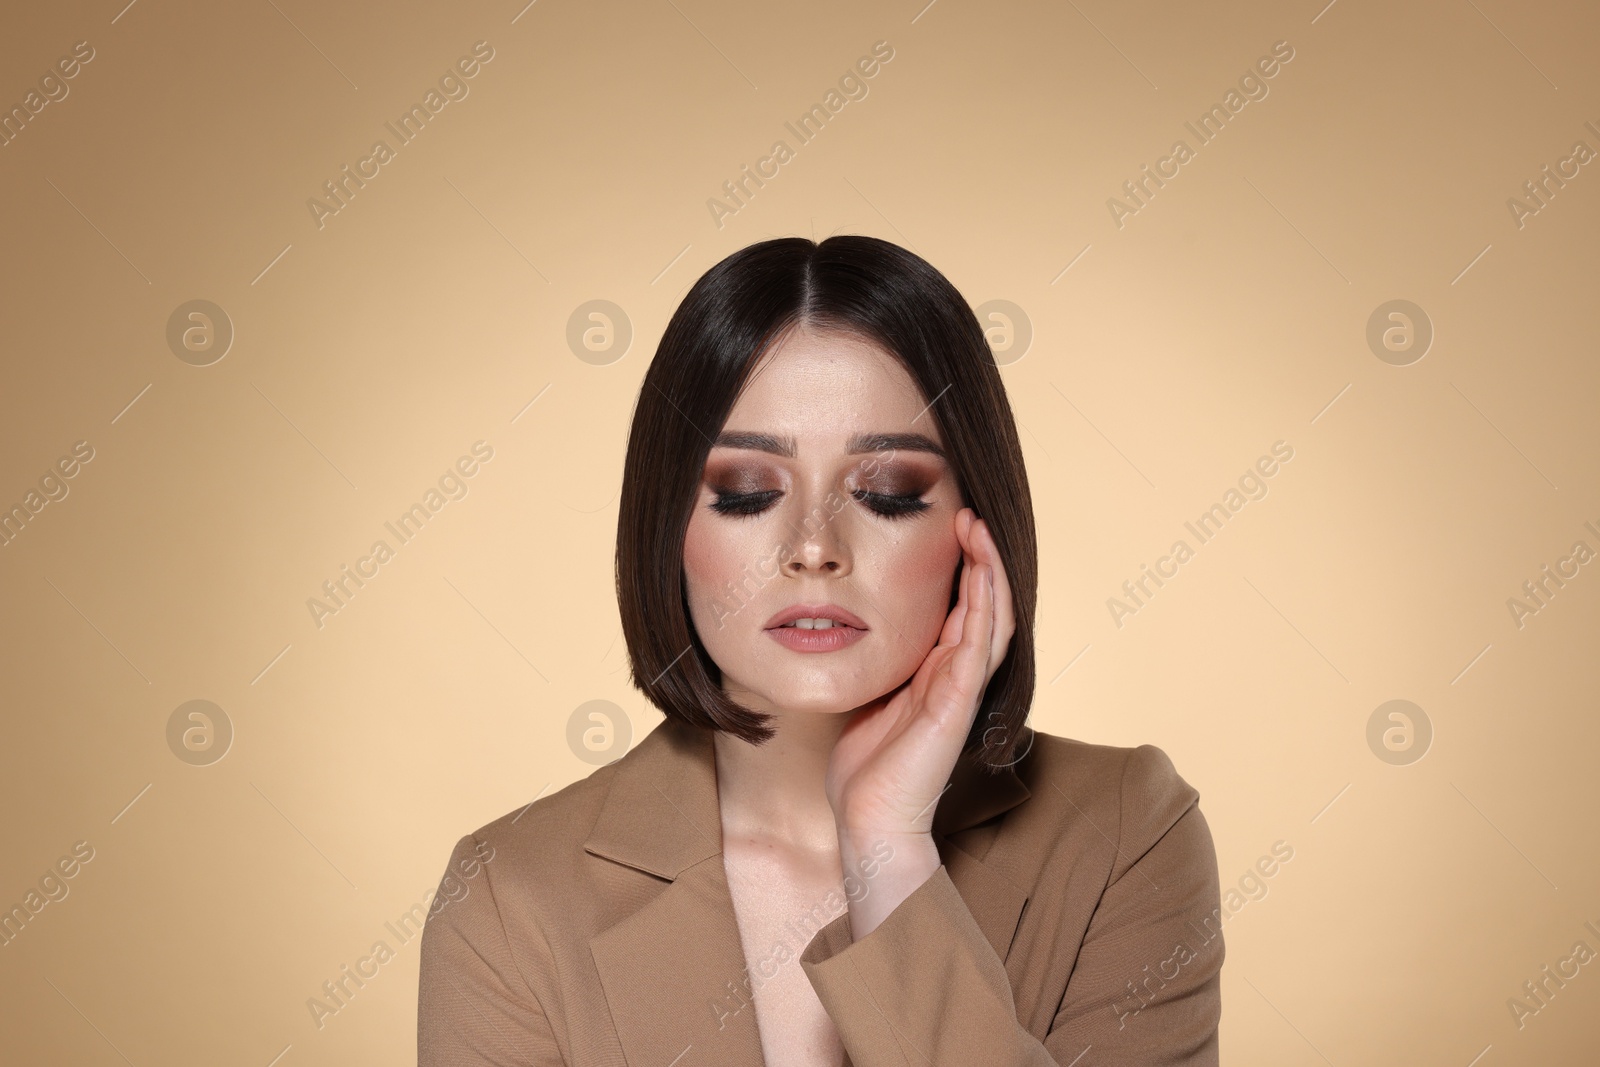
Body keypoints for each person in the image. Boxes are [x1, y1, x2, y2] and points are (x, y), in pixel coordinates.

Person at [417, 235, 1224, 1066]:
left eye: (885, 493)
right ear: (667, 527)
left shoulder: (1125, 833)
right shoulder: (510, 899)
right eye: (745, 493)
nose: (813, 547)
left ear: (976, 527)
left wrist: (889, 852)